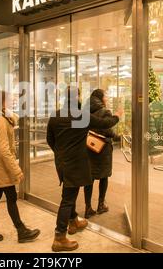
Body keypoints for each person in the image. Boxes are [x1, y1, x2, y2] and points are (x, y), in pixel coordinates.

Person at [47, 87, 115, 252]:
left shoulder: (56, 115)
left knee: (69, 193)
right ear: (76, 97)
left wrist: (60, 153)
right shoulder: (80, 115)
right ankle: (60, 237)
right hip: (76, 163)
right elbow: (105, 123)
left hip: (62, 163)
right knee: (68, 199)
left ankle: (73, 220)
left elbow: (50, 140)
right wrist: (118, 115)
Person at [0, 91, 40, 243]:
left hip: (0, 165)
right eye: (10, 100)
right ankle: (21, 230)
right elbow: (3, 149)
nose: (14, 102)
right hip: (1, 166)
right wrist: (16, 169)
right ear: (2, 102)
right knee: (9, 197)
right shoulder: (0, 121)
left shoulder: (4, 118)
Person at [83, 90, 120, 219]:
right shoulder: (105, 112)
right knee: (103, 177)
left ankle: (88, 207)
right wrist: (117, 137)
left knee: (90, 177)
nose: (107, 98)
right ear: (101, 98)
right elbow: (106, 129)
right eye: (106, 96)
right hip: (102, 149)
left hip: (88, 147)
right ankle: (100, 205)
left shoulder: (85, 110)